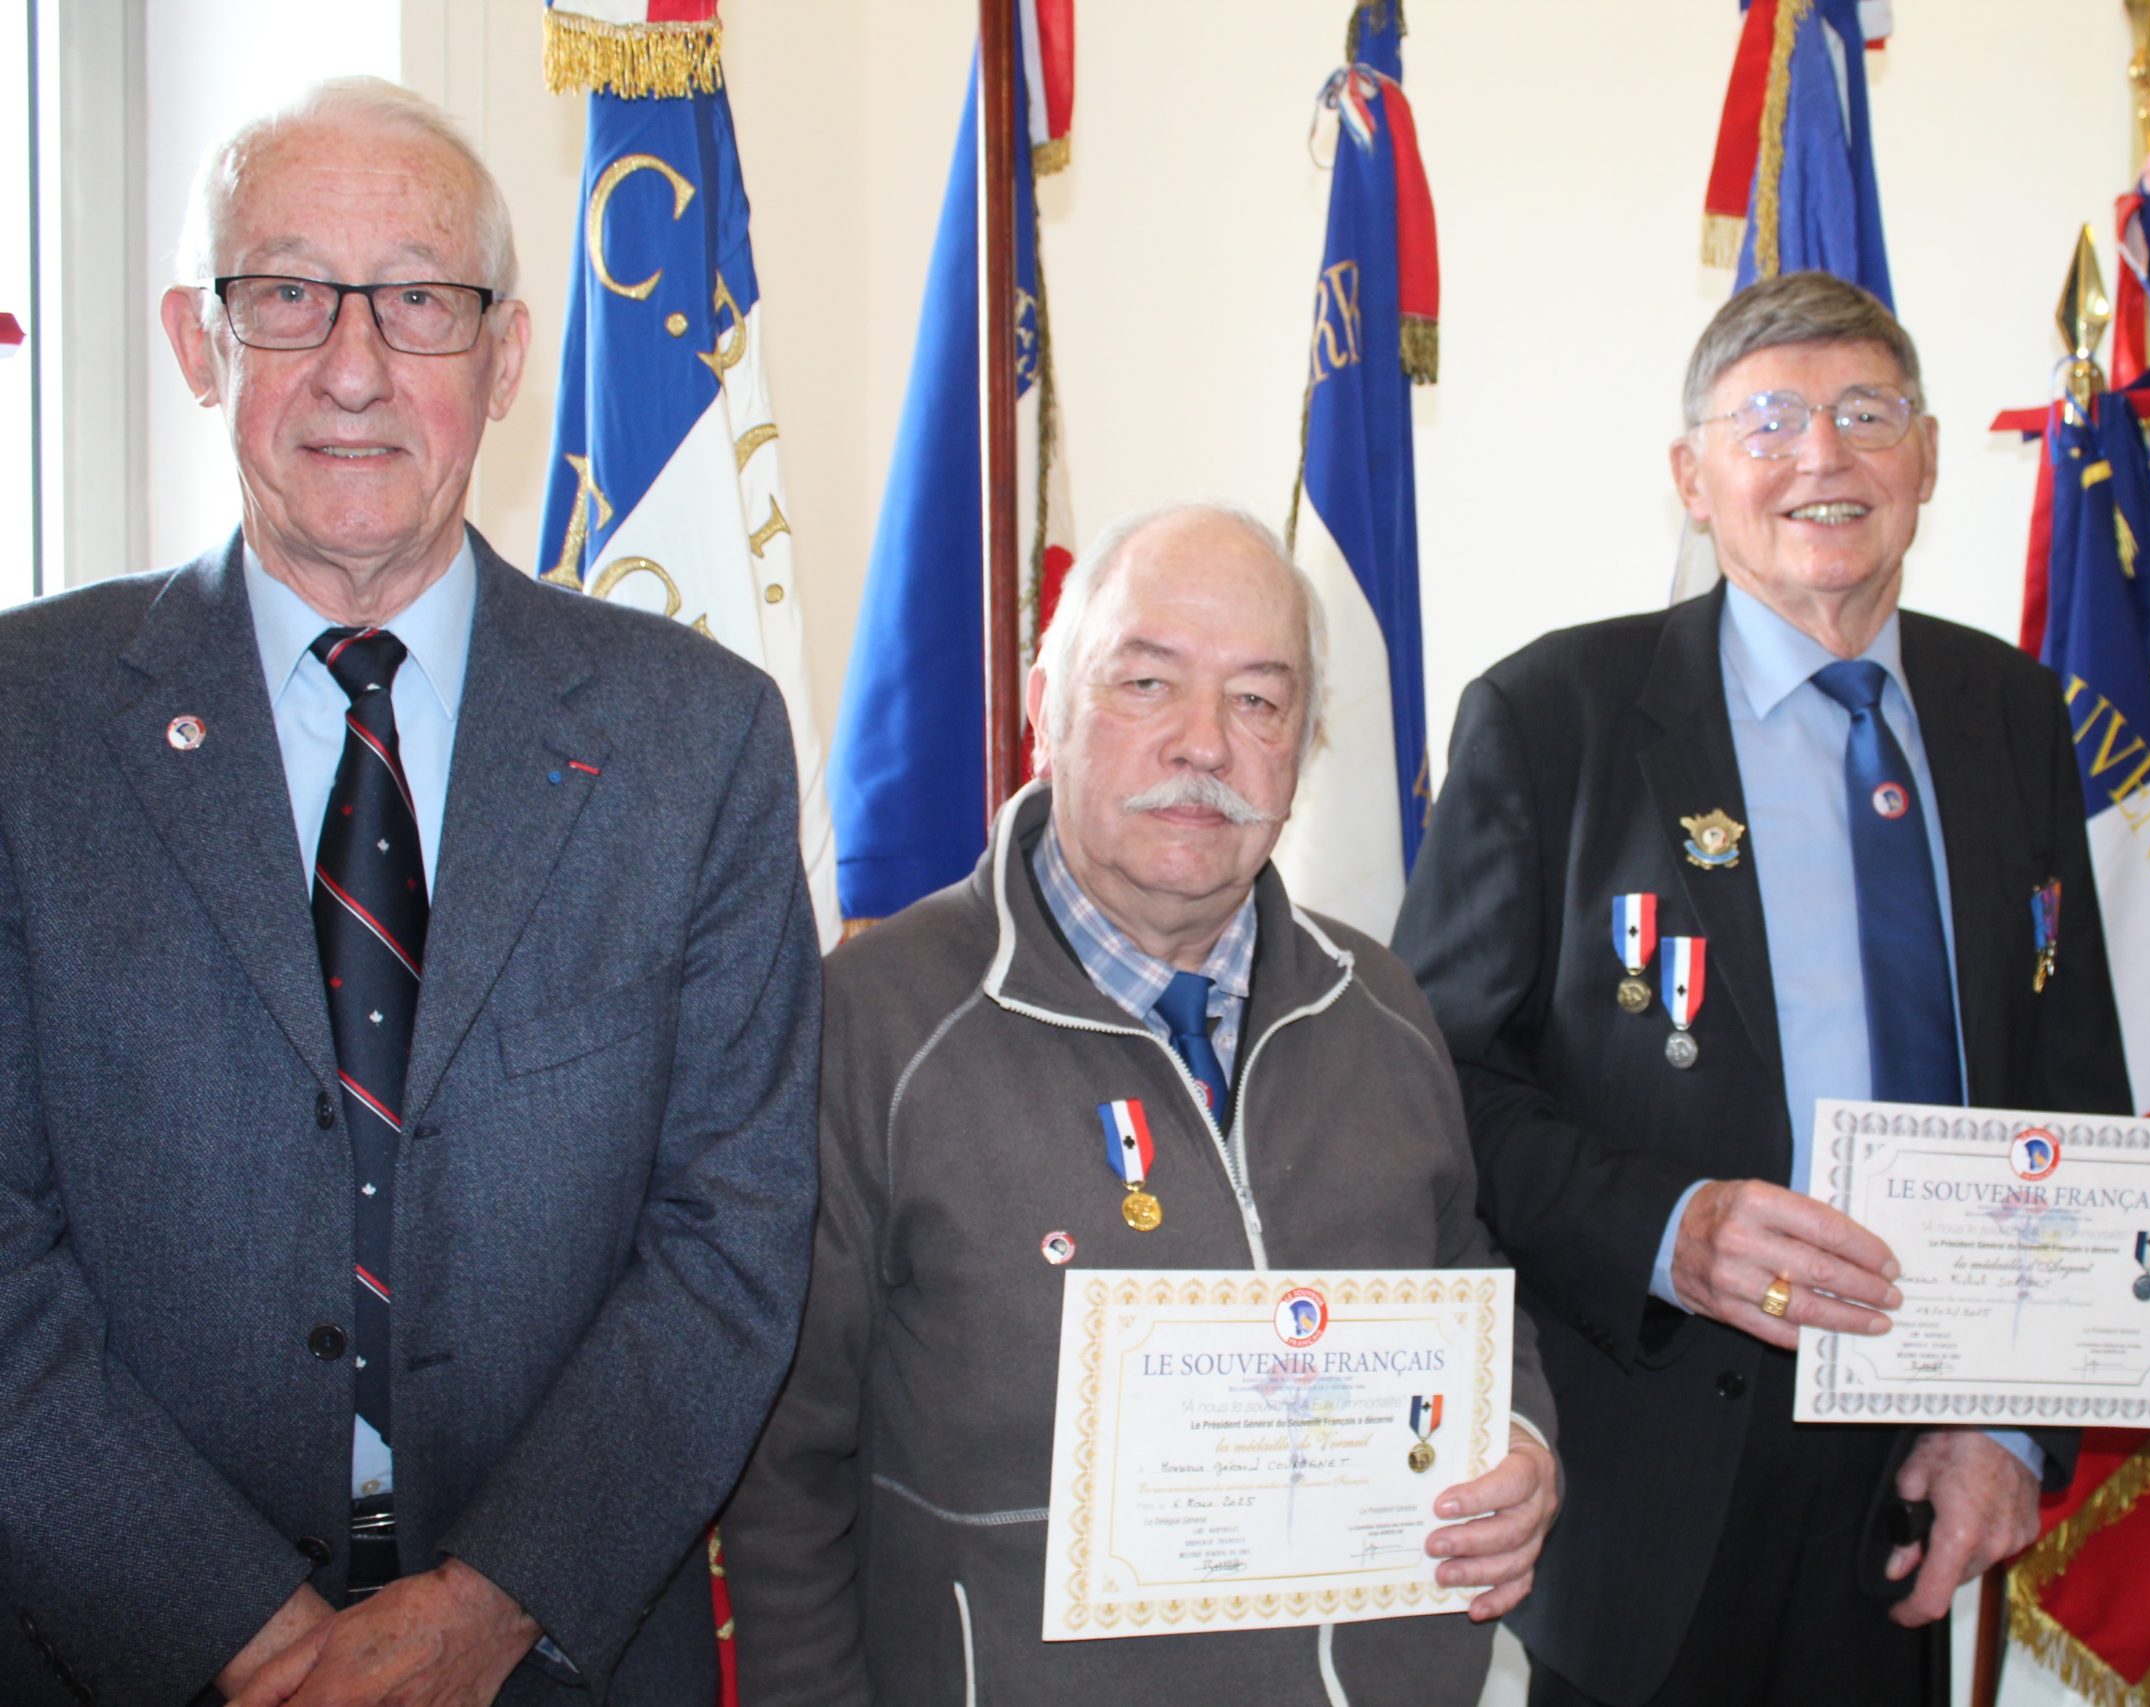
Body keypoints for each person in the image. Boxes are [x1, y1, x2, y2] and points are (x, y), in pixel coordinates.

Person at [0, 78, 820, 1703]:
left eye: (422, 300)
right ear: (196, 342)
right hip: (120, 1649)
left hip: (559, 1652)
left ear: (506, 357)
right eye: (288, 294)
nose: (356, 366)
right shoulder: (28, 726)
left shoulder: (699, 738)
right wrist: (229, 1625)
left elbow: (733, 1240)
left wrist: (488, 1607)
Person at [1393, 270, 2132, 1707]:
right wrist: (1671, 1229)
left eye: (1867, 413)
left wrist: (2010, 1424)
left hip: (1914, 1474)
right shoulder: (1553, 717)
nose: (1823, 454)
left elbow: (2069, 1080)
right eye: (1771, 420)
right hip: (1645, 1463)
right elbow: (1444, 1088)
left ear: (1926, 459)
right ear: (1693, 476)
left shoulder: (2012, 713)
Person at [722, 502, 1560, 1705]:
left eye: (1257, 700)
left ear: (1303, 746)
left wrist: (1517, 1433)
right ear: (1046, 707)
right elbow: (784, 1472)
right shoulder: (873, 1025)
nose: (1204, 744)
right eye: (1147, 682)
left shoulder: (1377, 1000)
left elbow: (1463, 1273)